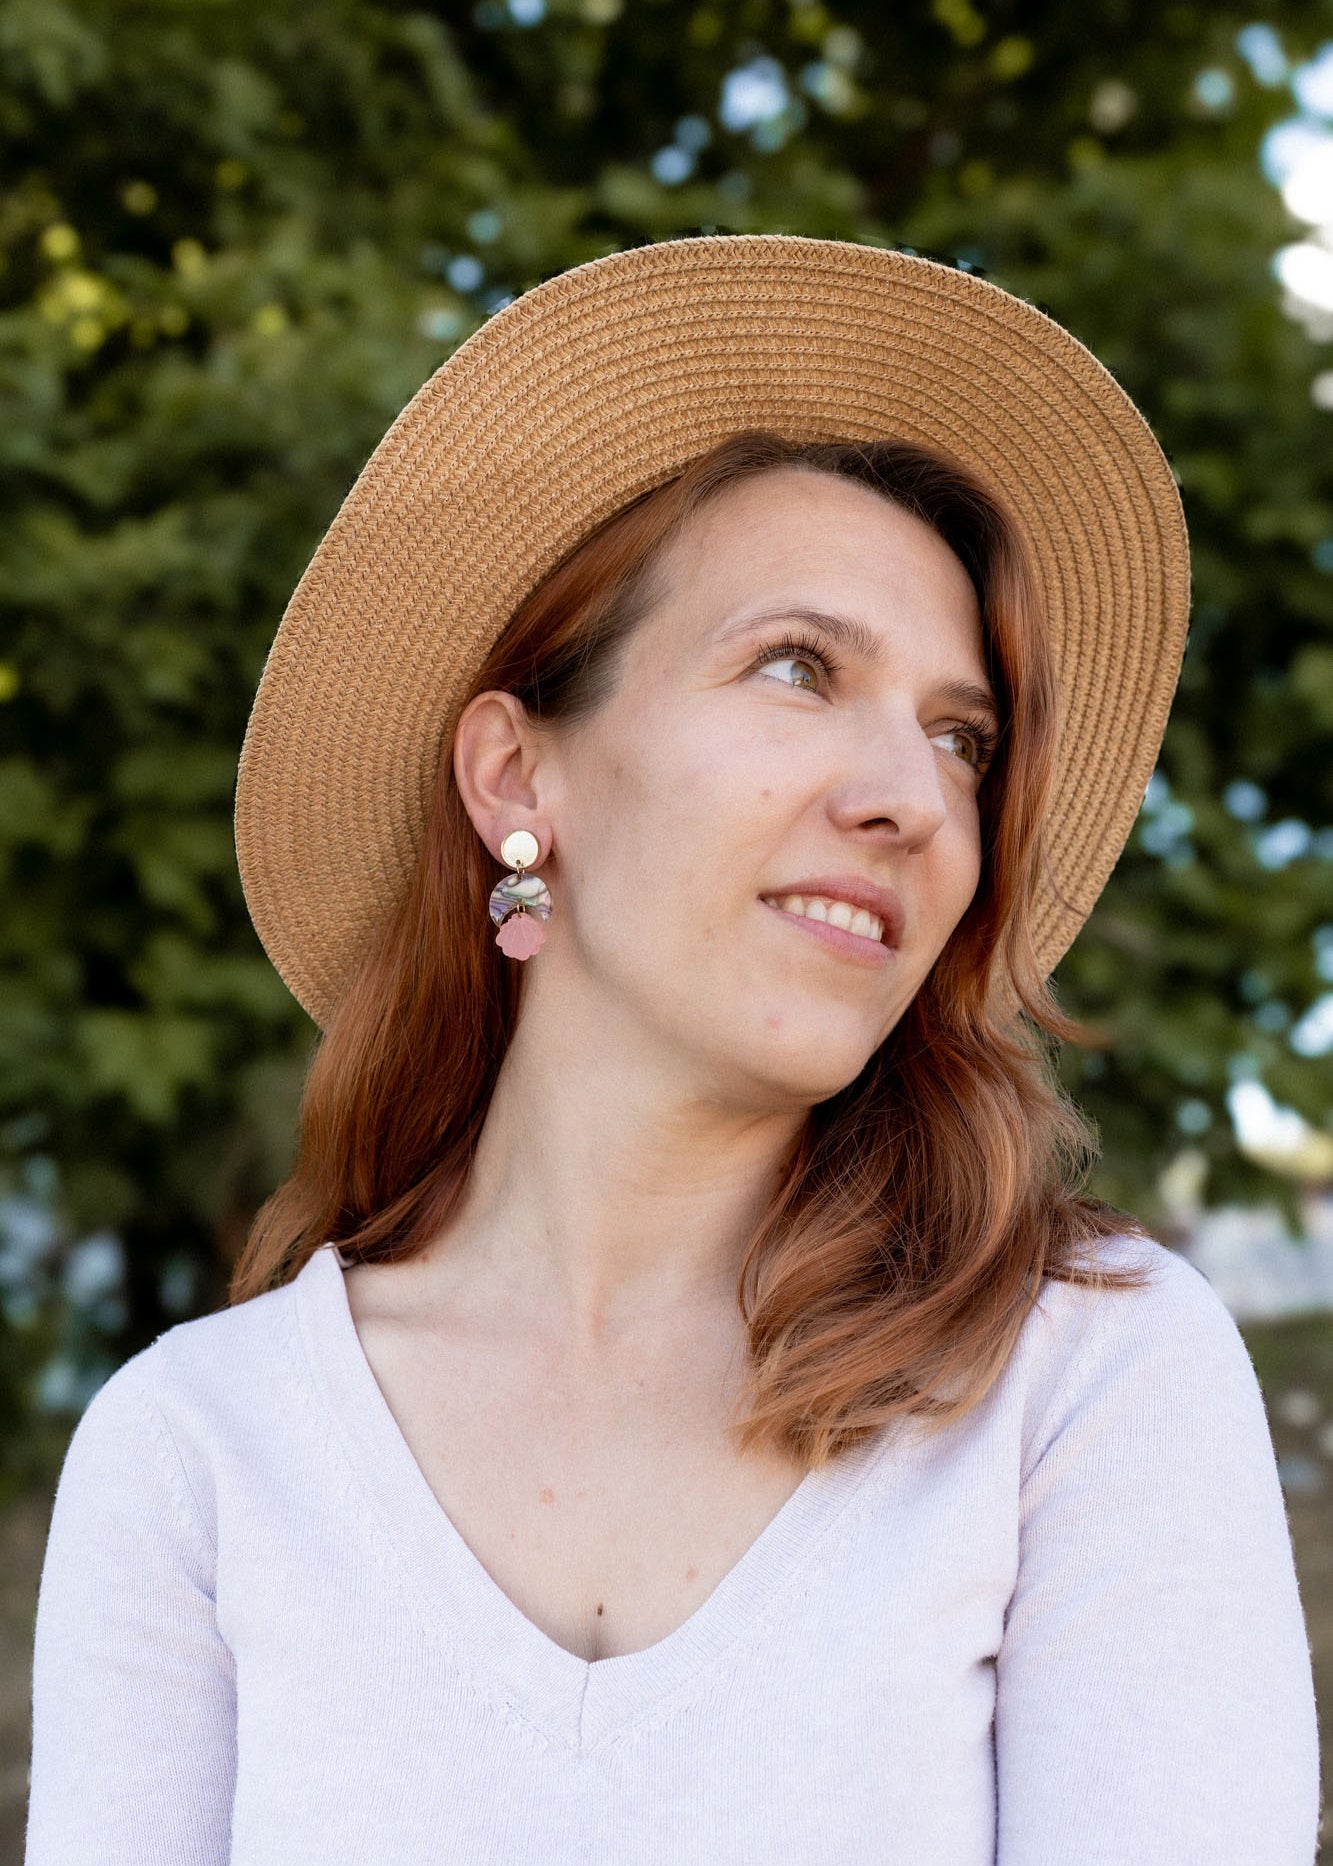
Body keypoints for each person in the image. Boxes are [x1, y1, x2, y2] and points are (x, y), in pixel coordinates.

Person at [25, 235, 1320, 1864]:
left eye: (959, 737)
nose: (913, 800)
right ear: (517, 777)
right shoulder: (197, 1452)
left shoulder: (1083, 1381)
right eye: (797, 667)